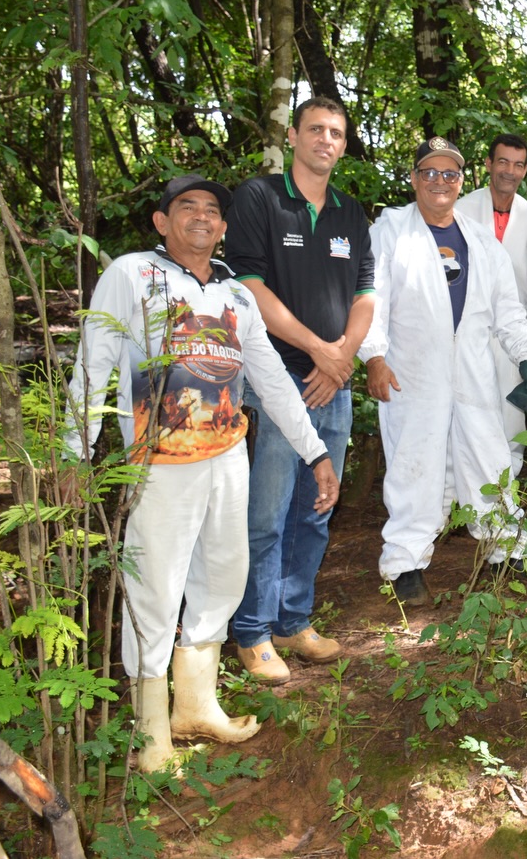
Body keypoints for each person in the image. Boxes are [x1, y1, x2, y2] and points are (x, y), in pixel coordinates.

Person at [62, 175, 339, 771]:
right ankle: (150, 732)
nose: (202, 217)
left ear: (224, 227)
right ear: (162, 222)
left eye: (212, 210)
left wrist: (315, 452)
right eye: (187, 207)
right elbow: (94, 363)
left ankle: (195, 705)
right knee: (155, 586)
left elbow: (270, 379)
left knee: (223, 576)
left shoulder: (237, 294)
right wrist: (73, 451)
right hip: (158, 463)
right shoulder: (132, 275)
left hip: (227, 457)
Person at [360, 138, 527, 605]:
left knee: (489, 456)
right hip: (412, 372)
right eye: (430, 172)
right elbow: (371, 299)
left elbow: (508, 311)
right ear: (414, 178)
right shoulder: (391, 231)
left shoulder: (481, 241)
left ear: (462, 181)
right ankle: (405, 564)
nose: (440, 181)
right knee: (414, 463)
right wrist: (373, 356)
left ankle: (506, 550)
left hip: (472, 371)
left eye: (449, 174)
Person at [222, 97, 375, 684]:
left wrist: (341, 359)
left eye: (335, 132)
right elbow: (249, 288)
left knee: (315, 508)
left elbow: (365, 295)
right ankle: (253, 631)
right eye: (315, 129)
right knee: (267, 511)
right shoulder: (259, 198)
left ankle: (293, 620)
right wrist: (319, 350)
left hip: (332, 383)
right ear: (292, 135)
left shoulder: (350, 212)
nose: (325, 140)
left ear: (344, 144)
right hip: (274, 379)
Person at [456, 133, 527, 473]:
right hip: (466, 329)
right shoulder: (461, 210)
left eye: (518, 165)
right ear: (488, 164)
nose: (510, 171)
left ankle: (506, 487)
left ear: (525, 170)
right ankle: (463, 486)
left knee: (511, 413)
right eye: (503, 162)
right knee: (466, 407)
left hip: (513, 330)